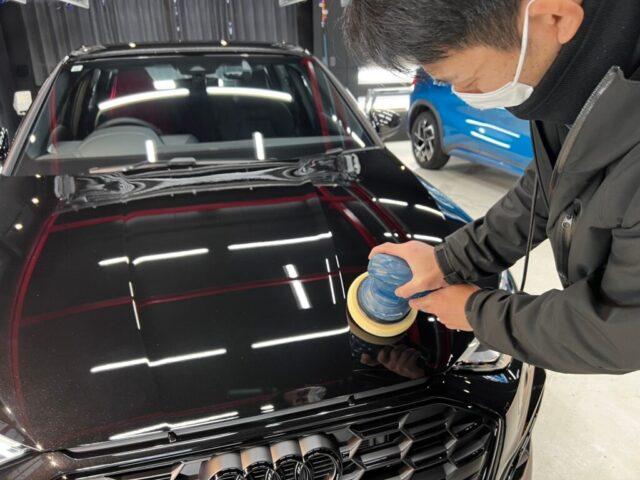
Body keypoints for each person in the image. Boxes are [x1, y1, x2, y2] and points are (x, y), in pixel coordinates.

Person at [342, 0, 640, 374]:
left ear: (554, 17)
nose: (467, 97)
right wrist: (446, 260)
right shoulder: (567, 76)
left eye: (467, 81)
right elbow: (548, 187)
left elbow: (621, 330)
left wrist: (476, 312)